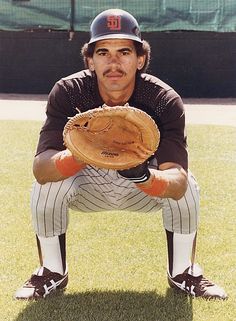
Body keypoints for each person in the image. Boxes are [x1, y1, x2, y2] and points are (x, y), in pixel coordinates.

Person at [15, 8, 227, 300]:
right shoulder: (69, 92)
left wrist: (142, 174)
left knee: (189, 186)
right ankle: (52, 271)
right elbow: (41, 168)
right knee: (46, 186)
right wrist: (82, 153)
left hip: (141, 184)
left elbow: (176, 180)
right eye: (103, 52)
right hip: (85, 181)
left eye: (124, 51)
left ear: (140, 59)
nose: (113, 62)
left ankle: (183, 272)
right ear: (89, 59)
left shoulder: (163, 100)